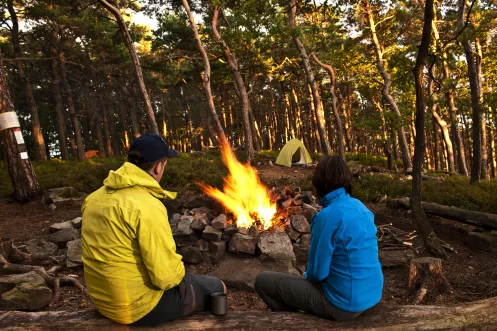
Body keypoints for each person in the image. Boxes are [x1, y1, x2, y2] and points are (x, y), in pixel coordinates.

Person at [82, 134, 226, 325]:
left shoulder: (93, 198)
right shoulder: (146, 205)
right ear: (159, 166)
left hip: (104, 302)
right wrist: (182, 271)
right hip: (137, 308)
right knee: (218, 287)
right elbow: (165, 277)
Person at [254, 155, 383, 321]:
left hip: (344, 305)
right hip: (372, 293)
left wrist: (305, 280)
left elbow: (317, 274)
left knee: (262, 281)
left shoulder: (326, 217)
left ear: (320, 181)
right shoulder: (360, 207)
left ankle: (293, 323)